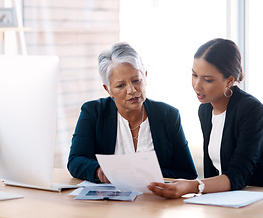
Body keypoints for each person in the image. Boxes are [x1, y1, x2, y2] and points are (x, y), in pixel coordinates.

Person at [148, 38, 263, 198]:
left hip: (259, 200)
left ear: (230, 80)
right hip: (225, 200)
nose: (197, 85)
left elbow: (240, 175)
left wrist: (193, 186)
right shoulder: (205, 109)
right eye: (194, 75)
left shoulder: (251, 110)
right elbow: (212, 170)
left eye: (207, 79)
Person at [67, 42, 197, 183]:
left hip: (155, 200)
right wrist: (99, 171)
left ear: (145, 76)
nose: (132, 90)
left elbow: (187, 172)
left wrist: (144, 174)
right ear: (108, 89)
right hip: (109, 203)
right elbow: (76, 160)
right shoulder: (93, 112)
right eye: (121, 85)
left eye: (136, 81)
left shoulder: (168, 115)